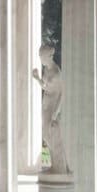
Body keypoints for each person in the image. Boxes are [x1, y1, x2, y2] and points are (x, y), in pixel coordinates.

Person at [31, 45, 70, 175]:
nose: (40, 60)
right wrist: (37, 78)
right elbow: (45, 86)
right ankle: (55, 164)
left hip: (53, 105)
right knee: (46, 136)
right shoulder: (47, 70)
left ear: (48, 56)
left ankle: (60, 165)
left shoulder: (57, 73)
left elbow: (62, 93)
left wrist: (56, 111)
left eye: (41, 57)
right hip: (46, 104)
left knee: (51, 135)